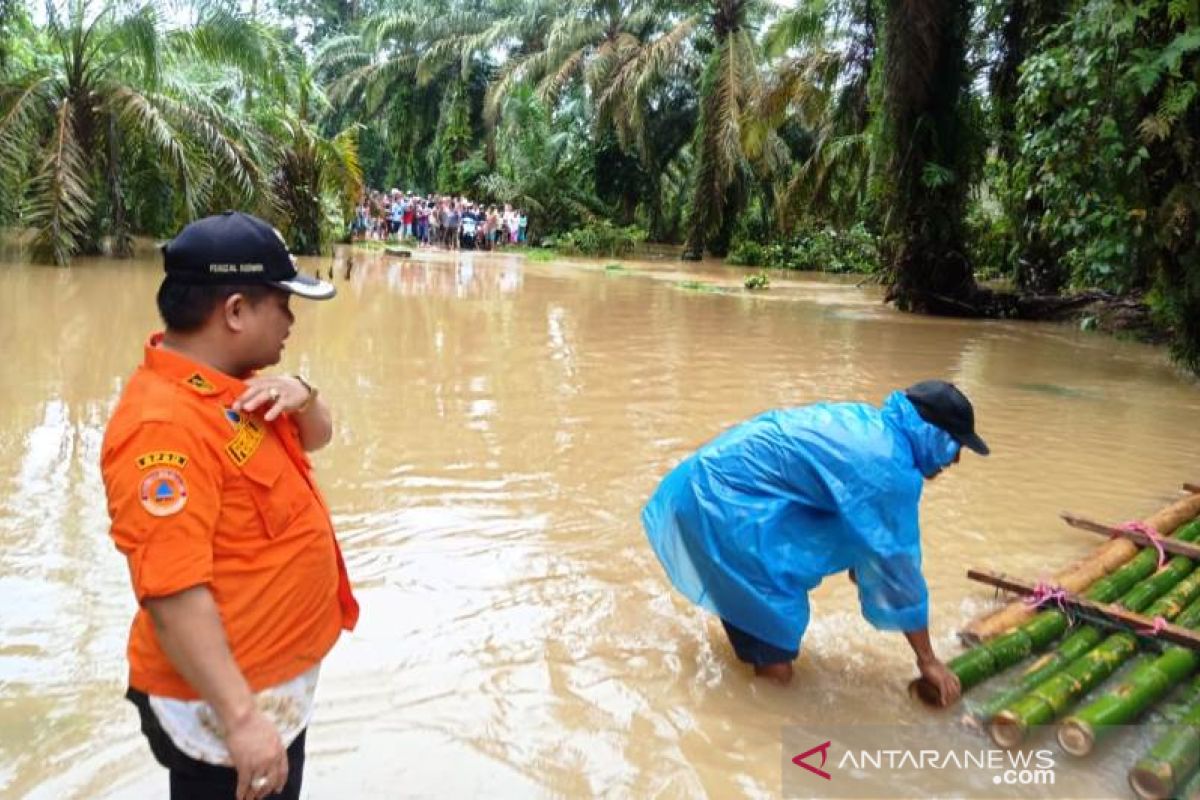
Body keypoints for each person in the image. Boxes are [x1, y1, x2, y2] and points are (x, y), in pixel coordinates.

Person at [101, 211, 359, 800]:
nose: (293, 320)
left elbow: (317, 438)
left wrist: (304, 396)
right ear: (236, 311)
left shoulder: (234, 386)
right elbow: (172, 593)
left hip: (270, 692)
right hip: (228, 716)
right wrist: (242, 721)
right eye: (283, 304)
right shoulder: (162, 429)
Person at [641, 380, 988, 704]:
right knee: (777, 670)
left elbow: (856, 522)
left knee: (765, 616)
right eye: (955, 447)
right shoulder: (890, 469)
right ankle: (758, 729)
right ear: (934, 436)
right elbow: (897, 570)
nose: (955, 460)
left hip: (702, 487)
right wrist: (927, 660)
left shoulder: (871, 426)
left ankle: (750, 648)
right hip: (722, 507)